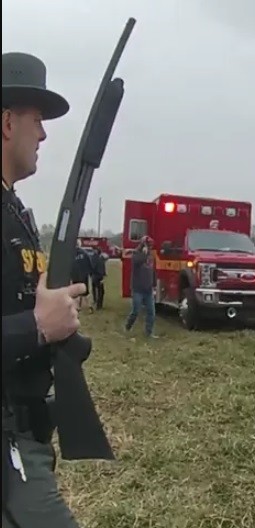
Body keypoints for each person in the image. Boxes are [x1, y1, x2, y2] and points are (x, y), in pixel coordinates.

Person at [2, 51, 86, 528]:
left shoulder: (14, 211)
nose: (44, 133)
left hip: (26, 428)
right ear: (8, 122)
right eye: (37, 120)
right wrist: (36, 326)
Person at [124, 235, 157, 338]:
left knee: (151, 312)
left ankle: (149, 332)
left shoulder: (151, 256)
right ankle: (127, 327)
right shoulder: (136, 255)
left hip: (148, 289)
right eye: (149, 245)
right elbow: (138, 262)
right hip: (138, 289)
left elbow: (152, 271)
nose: (150, 248)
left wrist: (154, 284)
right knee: (135, 311)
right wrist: (144, 253)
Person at [71, 247, 92, 312]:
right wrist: (89, 272)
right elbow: (89, 262)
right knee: (85, 292)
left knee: (76, 293)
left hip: (75, 276)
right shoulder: (84, 253)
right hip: (84, 276)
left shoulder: (71, 253)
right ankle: (89, 307)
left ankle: (77, 307)